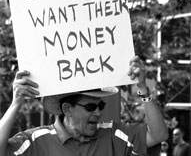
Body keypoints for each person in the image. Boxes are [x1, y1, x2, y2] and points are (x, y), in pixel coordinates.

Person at [0, 56, 168, 156]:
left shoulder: (114, 134)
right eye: (90, 107)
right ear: (67, 109)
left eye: (100, 105)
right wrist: (16, 103)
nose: (98, 112)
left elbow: (158, 135)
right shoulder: (36, 141)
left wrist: (143, 88)